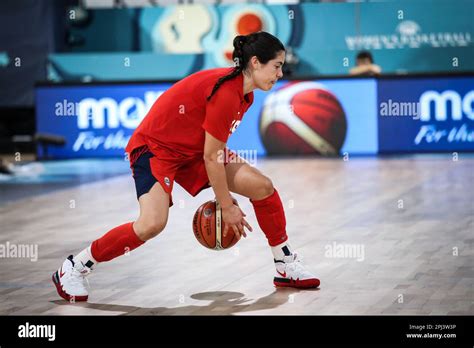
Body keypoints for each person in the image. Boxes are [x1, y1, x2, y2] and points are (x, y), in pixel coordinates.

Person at [52, 31, 320, 303]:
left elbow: (210, 151)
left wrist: (223, 195)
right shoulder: (227, 92)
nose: (280, 73)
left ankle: (284, 263)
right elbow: (212, 156)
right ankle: (76, 266)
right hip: (156, 148)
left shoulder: (245, 94)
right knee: (151, 225)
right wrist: (226, 205)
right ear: (255, 62)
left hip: (192, 152)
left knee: (262, 187)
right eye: (276, 66)